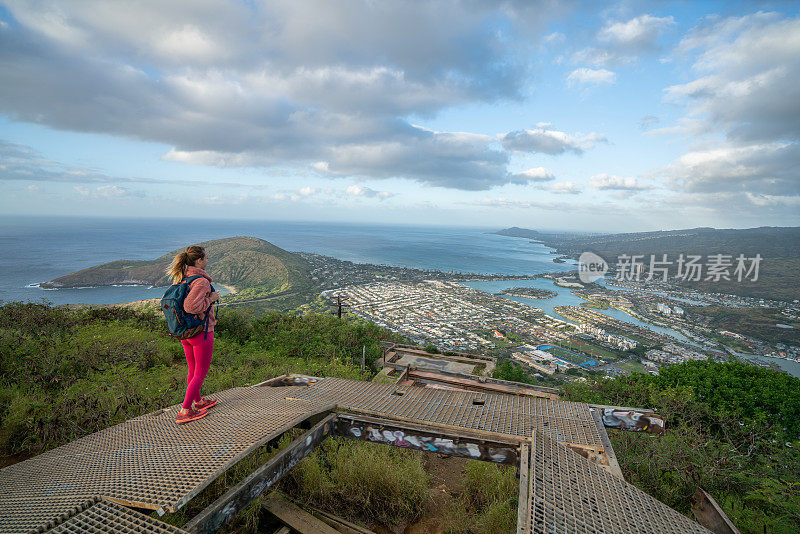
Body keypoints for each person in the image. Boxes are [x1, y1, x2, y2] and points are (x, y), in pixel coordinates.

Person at [166, 245, 221, 424]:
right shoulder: (201, 281)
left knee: (192, 369)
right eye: (205, 258)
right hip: (201, 332)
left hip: (187, 333)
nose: (207, 261)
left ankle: (198, 402)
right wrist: (211, 299)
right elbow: (191, 307)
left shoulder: (183, 278)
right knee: (200, 373)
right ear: (199, 261)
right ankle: (185, 410)